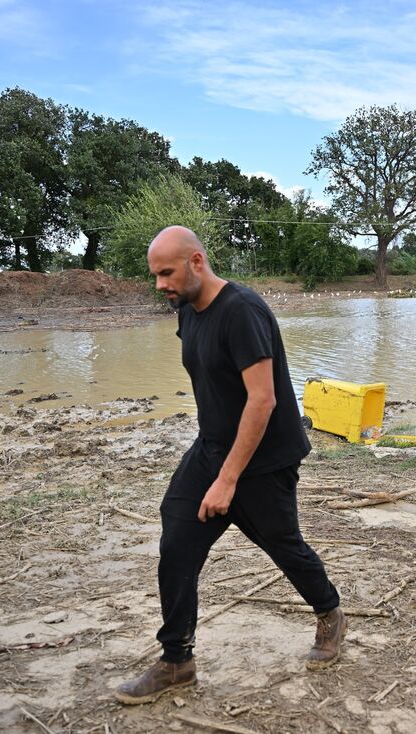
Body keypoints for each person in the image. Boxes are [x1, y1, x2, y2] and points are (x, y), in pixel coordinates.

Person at [115, 226, 345, 705]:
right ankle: (176, 659)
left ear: (197, 261)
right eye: (154, 275)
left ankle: (329, 612)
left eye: (166, 273)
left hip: (265, 461)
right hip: (213, 448)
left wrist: (227, 481)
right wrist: (215, 467)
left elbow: (262, 401)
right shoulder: (187, 311)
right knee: (177, 540)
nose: (160, 285)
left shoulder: (242, 311)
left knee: (284, 546)